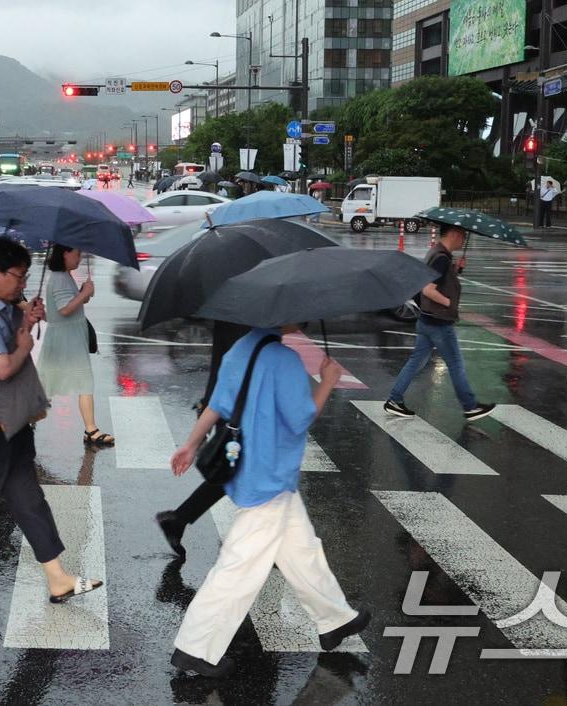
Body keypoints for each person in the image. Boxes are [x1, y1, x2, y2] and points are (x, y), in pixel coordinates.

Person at [168, 327, 368, 678]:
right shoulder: (284, 360)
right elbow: (302, 418)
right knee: (240, 567)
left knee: (301, 550)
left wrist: (191, 443)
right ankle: (195, 648)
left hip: (255, 472)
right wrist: (328, 381)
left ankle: (335, 619)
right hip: (270, 479)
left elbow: (217, 404)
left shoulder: (240, 348)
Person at [0, 238, 102, 615]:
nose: (22, 283)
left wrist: (27, 320)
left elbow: (13, 344)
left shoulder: (5, 308)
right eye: (17, 275)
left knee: (28, 497)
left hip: (9, 417)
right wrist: (24, 343)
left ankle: (57, 576)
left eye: (25, 275)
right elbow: (2, 367)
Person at [155, 320, 249, 558]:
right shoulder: (255, 331)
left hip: (229, 407)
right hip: (242, 412)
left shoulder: (235, 315)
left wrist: (207, 407)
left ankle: (178, 519)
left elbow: (221, 366)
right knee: (239, 471)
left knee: (234, 471)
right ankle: (257, 543)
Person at [383, 224, 496, 422]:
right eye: (462, 235)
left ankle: (394, 399)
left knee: (416, 361)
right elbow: (428, 289)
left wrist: (456, 270)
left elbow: (440, 281)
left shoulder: (436, 253)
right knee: (455, 363)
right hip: (439, 321)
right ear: (453, 234)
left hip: (427, 319)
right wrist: (448, 302)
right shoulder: (441, 258)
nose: (463, 240)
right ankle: (470, 406)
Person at [38, 245, 110, 447]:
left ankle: (91, 429)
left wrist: (83, 293)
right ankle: (90, 429)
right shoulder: (60, 278)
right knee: (76, 382)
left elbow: (70, 304)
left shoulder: (64, 276)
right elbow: (65, 309)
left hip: (69, 338)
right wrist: (84, 293)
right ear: (65, 253)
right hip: (66, 341)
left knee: (57, 383)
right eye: (77, 254)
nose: (79, 258)